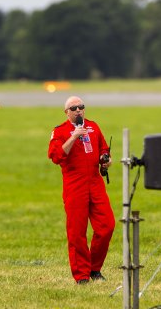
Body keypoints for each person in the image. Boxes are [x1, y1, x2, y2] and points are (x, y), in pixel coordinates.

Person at [48, 96, 115, 284]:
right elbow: (56, 156)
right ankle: (82, 275)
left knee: (107, 226)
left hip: (95, 183)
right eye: (73, 108)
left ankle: (94, 268)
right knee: (77, 232)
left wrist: (106, 160)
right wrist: (74, 136)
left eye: (81, 107)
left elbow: (104, 149)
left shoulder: (94, 127)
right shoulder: (60, 131)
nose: (78, 110)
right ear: (66, 112)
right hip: (74, 185)